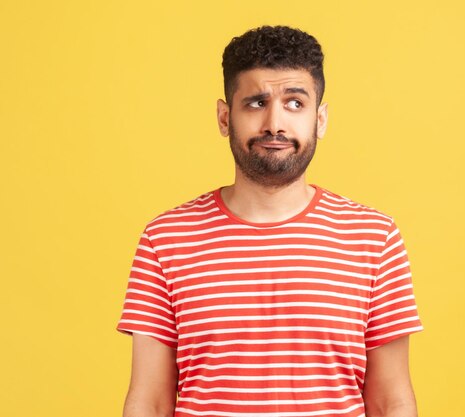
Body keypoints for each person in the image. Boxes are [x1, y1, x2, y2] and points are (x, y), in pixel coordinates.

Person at [117, 25, 424, 417]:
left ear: (321, 119)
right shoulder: (165, 239)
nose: (275, 124)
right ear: (225, 117)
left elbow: (391, 401)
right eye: (256, 103)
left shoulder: (374, 238)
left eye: (295, 103)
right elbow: (150, 401)